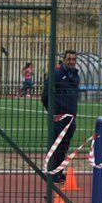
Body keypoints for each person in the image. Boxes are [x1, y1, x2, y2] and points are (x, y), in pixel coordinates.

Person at [41, 50, 80, 185]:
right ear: (64, 60)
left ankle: (58, 171)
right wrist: (53, 111)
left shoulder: (75, 75)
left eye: (73, 59)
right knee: (55, 146)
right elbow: (45, 95)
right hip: (58, 118)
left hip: (71, 119)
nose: (71, 61)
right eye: (69, 59)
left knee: (64, 147)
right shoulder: (56, 74)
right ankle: (51, 173)